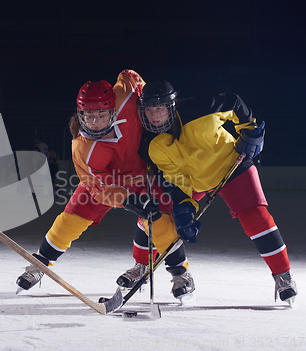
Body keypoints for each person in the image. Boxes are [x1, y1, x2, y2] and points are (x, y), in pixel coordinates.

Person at [15, 70, 196, 302]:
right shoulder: (82, 148)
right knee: (70, 219)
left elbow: (131, 76)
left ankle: (181, 275)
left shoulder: (126, 98)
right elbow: (98, 189)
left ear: (112, 110)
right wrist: (128, 201)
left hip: (142, 175)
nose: (94, 122)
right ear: (80, 114)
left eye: (101, 115)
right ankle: (39, 264)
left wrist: (148, 105)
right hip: (106, 184)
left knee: (158, 219)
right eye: (88, 116)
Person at [137, 80, 298, 303]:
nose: (153, 115)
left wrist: (249, 129)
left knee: (256, 217)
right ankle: (172, 274)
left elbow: (234, 102)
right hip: (196, 182)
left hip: (231, 168)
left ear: (171, 107)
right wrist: (184, 208)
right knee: (161, 215)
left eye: (159, 108)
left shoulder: (200, 111)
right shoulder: (153, 145)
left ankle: (283, 275)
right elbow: (175, 178)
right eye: (149, 109)